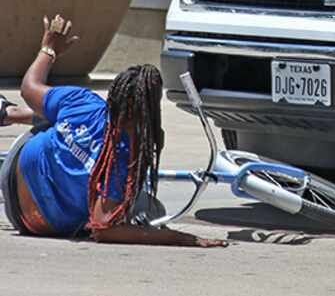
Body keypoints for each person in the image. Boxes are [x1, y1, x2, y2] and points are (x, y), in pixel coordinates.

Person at [0, 15, 226, 247]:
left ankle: (8, 113)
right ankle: (9, 113)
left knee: (58, 115)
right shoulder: (124, 159)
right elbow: (103, 229)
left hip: (13, 169)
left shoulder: (83, 102)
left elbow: (29, 88)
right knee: (149, 208)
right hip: (35, 224)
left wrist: (48, 49)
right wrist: (183, 238)